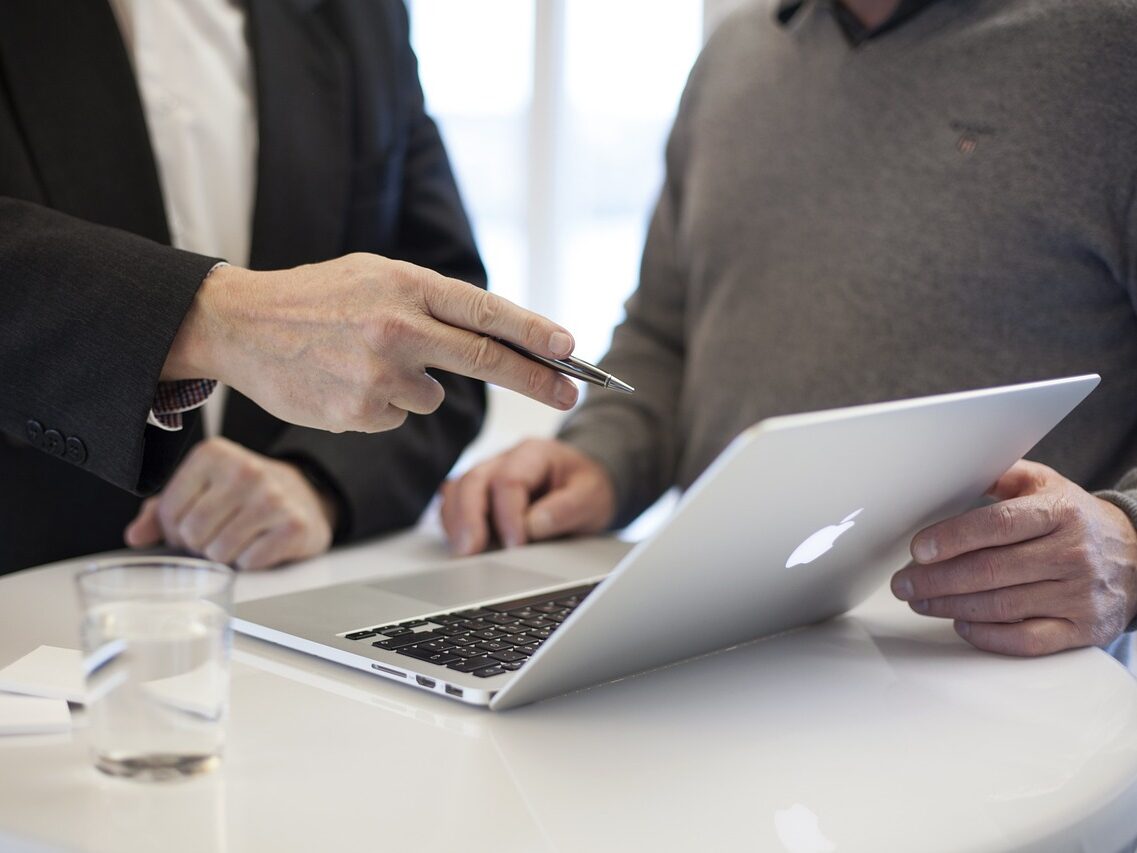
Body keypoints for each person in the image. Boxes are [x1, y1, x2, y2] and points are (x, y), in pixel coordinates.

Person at [441, 0, 1137, 660]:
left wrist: (1127, 537)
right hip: (712, 652)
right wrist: (598, 459)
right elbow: (664, 334)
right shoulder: (733, 59)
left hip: (1007, 695)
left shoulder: (1110, 48)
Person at [0, 0, 580, 574]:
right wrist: (213, 320)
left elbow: (441, 332)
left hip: (270, 610)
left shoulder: (361, 16)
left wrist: (319, 480)